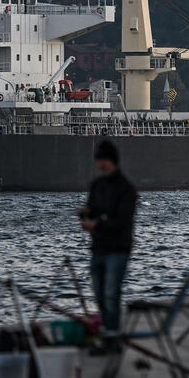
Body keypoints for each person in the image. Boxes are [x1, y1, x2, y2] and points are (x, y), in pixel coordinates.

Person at [80, 141, 138, 345]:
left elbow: (122, 222)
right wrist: (87, 216)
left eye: (102, 160)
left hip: (118, 250)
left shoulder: (126, 189)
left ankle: (112, 335)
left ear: (111, 160)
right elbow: (92, 209)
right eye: (98, 160)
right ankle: (107, 330)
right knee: (99, 294)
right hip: (98, 248)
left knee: (112, 294)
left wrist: (96, 225)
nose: (99, 164)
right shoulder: (97, 186)